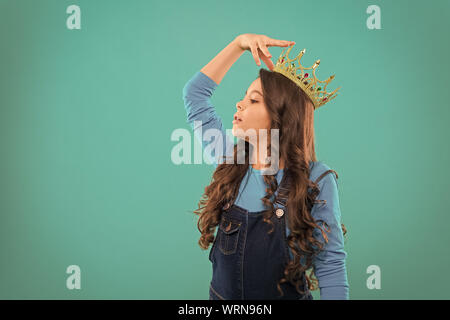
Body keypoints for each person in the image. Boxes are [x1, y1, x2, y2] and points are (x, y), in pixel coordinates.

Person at [182, 33, 349, 300]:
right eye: (244, 97)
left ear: (282, 117)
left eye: (254, 100)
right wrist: (238, 44)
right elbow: (195, 96)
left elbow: (330, 265)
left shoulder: (316, 179)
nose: (240, 103)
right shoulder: (231, 162)